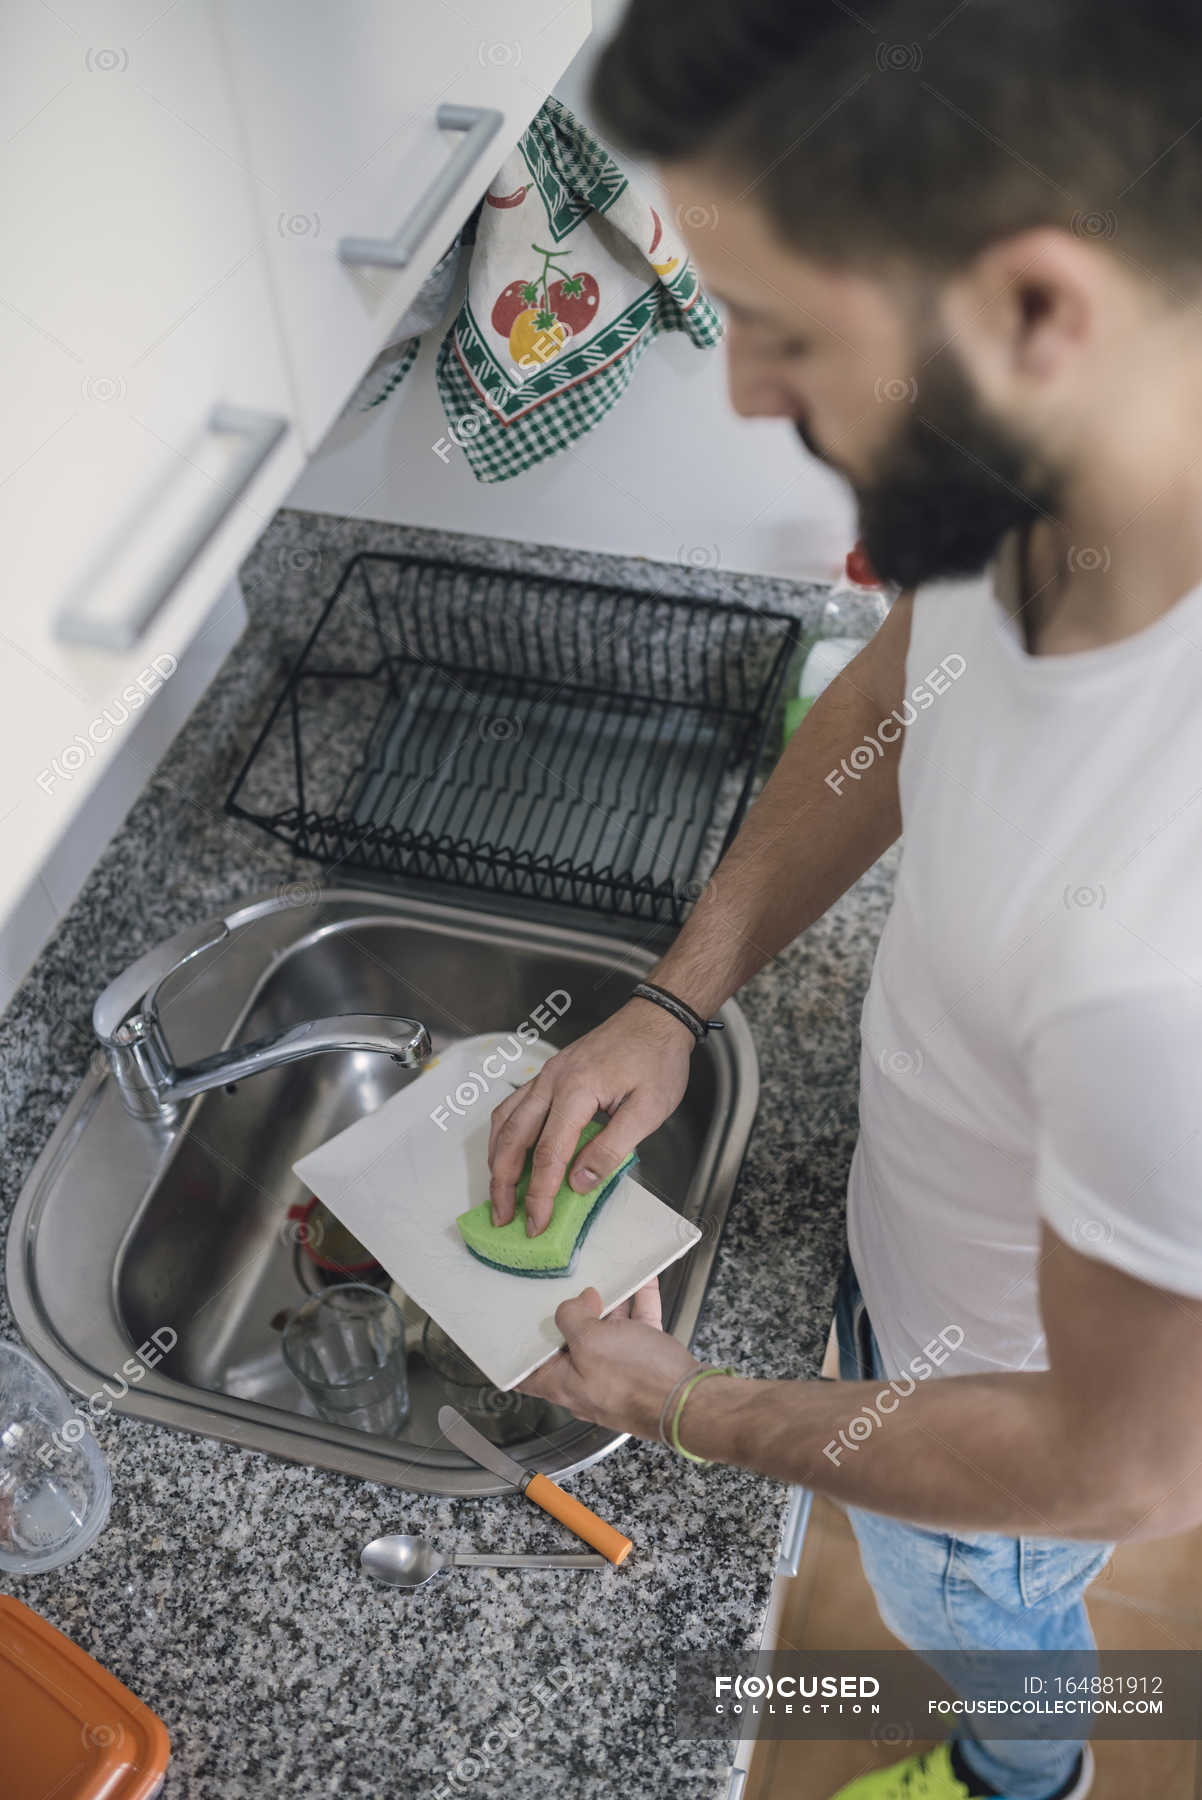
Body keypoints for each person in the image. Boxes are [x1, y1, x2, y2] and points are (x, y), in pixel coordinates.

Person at [485, 5, 1202, 1796]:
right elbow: (903, 688)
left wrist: (693, 1411)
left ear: (1035, 306)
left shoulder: (1158, 961)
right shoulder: (1067, 468)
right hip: (934, 1249)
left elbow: (1115, 1468)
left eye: (781, 329)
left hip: (992, 1386)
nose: (739, 390)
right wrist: (678, 993)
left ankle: (1016, 1779)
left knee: (997, 1624)